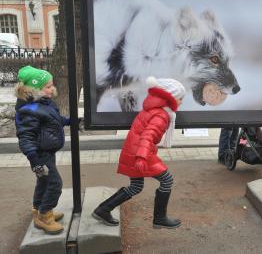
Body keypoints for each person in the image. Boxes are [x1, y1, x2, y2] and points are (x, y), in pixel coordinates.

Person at [92, 76, 185, 229]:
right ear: (170, 97)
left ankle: (103, 209)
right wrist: (141, 158)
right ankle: (159, 218)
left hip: (135, 151)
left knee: (136, 186)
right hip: (140, 154)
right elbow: (148, 136)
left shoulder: (153, 109)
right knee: (167, 180)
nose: (181, 102)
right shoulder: (161, 115)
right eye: (180, 98)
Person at [14, 65, 70, 235]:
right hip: (39, 156)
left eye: (51, 84)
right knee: (55, 184)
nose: (52, 88)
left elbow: (54, 119)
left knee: (43, 182)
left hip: (47, 152)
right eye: (47, 86)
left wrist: (69, 121)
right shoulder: (28, 111)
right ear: (33, 89)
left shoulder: (44, 103)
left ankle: (38, 211)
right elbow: (26, 137)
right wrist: (35, 160)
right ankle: (45, 216)